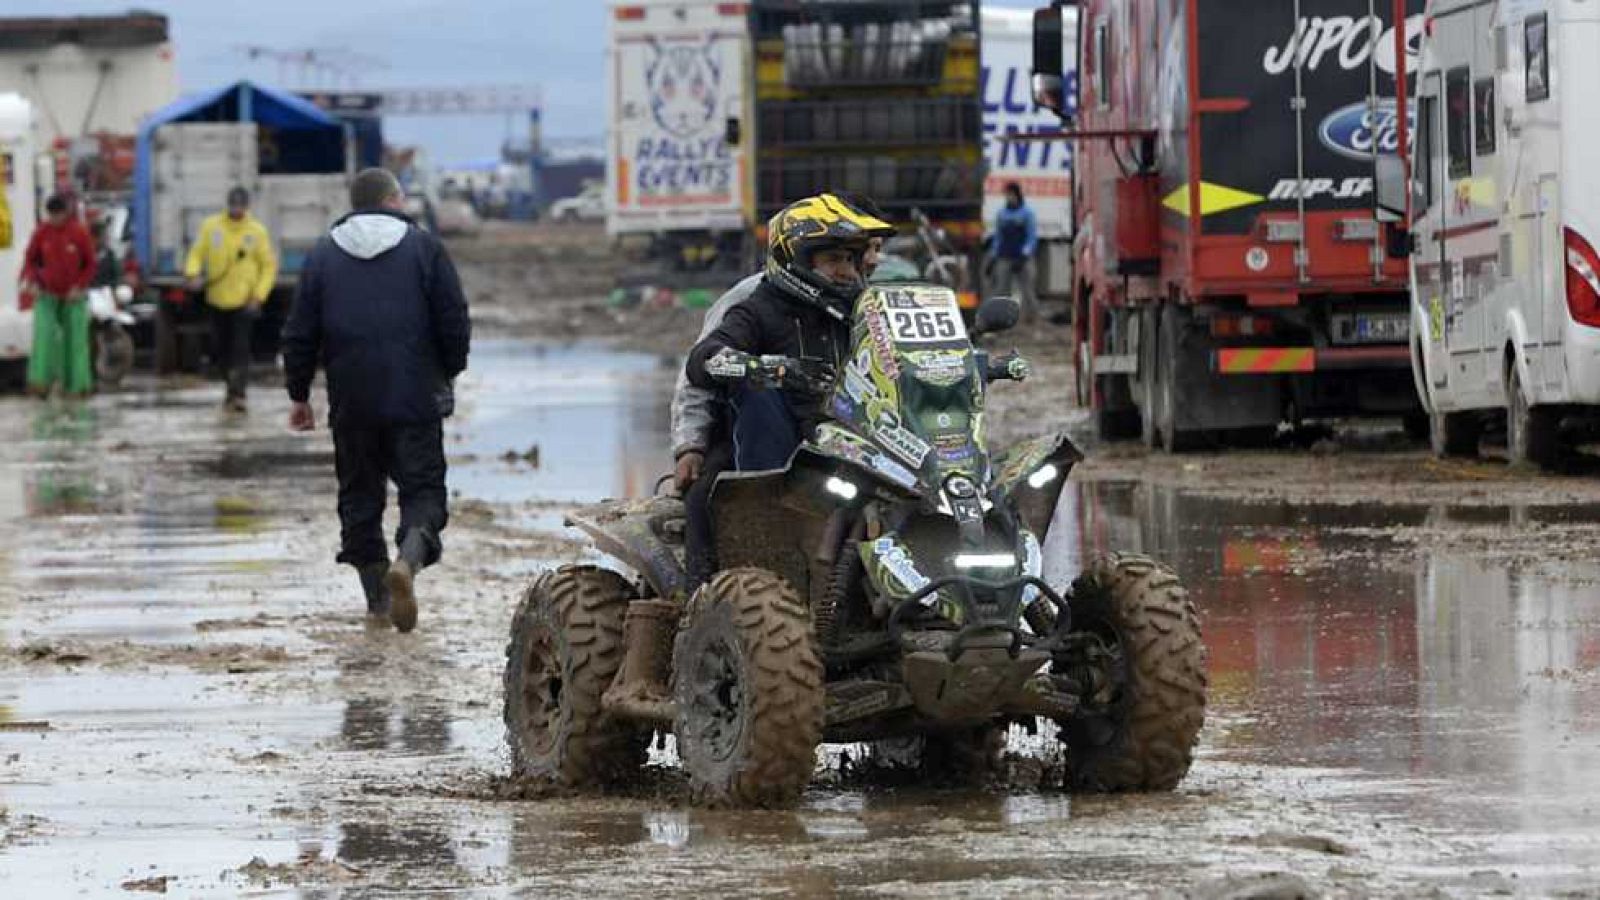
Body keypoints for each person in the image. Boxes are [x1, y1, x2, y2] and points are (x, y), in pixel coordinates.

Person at [281, 168, 471, 633]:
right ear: (392, 199)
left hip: (352, 400)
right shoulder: (424, 247)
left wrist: (300, 393)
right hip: (414, 396)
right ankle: (408, 557)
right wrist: (447, 371)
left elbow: (299, 331)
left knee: (360, 497)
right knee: (423, 490)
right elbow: (454, 319)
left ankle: (378, 602)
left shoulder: (324, 254)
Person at [680, 192, 894, 591]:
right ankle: (703, 595)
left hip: (846, 441)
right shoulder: (754, 305)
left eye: (851, 258)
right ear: (796, 257)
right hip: (773, 448)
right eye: (834, 260)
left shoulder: (863, 307)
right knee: (703, 495)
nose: (849, 270)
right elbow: (701, 361)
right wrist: (690, 444)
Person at [185, 186, 278, 412]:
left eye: (240, 206)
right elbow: (197, 253)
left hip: (244, 301)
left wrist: (259, 295)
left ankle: (238, 393)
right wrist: (193, 273)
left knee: (240, 348)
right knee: (220, 348)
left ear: (247, 207)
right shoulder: (212, 227)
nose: (236, 210)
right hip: (217, 299)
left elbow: (268, 266)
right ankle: (229, 386)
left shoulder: (256, 232)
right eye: (233, 206)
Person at [22, 194, 96, 398]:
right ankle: (39, 384)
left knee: (76, 341)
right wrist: (32, 281)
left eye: (58, 215)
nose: (55, 219)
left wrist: (79, 286)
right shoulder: (42, 232)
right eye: (51, 215)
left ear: (66, 212)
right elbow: (30, 260)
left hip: (74, 296)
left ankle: (77, 386)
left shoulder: (79, 233)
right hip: (47, 295)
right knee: (43, 337)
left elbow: (90, 264)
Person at [988, 181, 1039, 320]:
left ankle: (1031, 318)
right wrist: (993, 256)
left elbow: (1031, 236)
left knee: (1028, 290)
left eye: (1011, 195)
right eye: (1007, 195)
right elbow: (998, 236)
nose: (1009, 198)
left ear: (1017, 195)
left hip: (1023, 258)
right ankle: (1000, 318)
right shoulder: (1002, 214)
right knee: (1001, 290)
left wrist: (1025, 254)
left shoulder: (1027, 213)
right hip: (1004, 256)